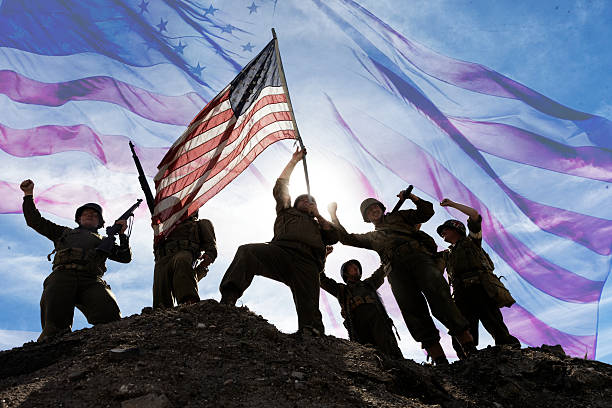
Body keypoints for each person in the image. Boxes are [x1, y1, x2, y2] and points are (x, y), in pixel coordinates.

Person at [328, 194, 474, 365]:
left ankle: (469, 349)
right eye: (369, 211)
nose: (373, 211)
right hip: (396, 272)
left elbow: (427, 212)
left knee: (442, 301)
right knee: (413, 312)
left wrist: (412, 197)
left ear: (382, 209)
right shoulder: (372, 237)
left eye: (375, 207)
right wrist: (333, 216)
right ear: (367, 218)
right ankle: (440, 361)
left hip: (419, 259)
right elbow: (346, 238)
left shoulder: (400, 216)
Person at [219, 148, 339, 336]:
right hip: (281, 253)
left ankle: (313, 335)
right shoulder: (286, 210)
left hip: (308, 263)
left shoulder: (319, 224)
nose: (307, 203)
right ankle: (228, 299)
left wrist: (319, 215)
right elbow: (281, 186)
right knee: (247, 252)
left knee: (310, 310)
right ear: (296, 203)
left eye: (311, 202)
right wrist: (294, 161)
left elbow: (334, 237)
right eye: (304, 201)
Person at [20, 179, 131, 341]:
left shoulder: (104, 241)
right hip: (62, 276)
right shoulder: (63, 233)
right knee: (55, 327)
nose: (90, 216)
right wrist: (28, 195)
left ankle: (106, 346)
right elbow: (35, 221)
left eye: (94, 215)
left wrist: (122, 235)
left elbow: (124, 257)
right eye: (86, 214)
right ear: (78, 219)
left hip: (91, 280)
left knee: (111, 316)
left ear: (100, 223)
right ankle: (51, 347)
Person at [437, 198, 520, 359]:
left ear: (457, 229)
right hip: (460, 294)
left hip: (480, 287)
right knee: (462, 327)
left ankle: (511, 353)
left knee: (493, 321)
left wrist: (453, 204)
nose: (442, 233)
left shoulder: (472, 242)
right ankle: (467, 358)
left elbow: (474, 215)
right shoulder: (446, 255)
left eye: (445, 229)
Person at [320, 254, 403, 359]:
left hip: (379, 323)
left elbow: (382, 271)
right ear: (345, 272)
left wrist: (388, 257)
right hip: (358, 327)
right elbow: (322, 279)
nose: (356, 267)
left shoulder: (369, 283)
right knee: (367, 354)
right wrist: (323, 256)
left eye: (357, 266)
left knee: (390, 351)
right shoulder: (341, 290)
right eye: (351, 266)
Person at [152, 211, 217, 308]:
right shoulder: (166, 228)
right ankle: (161, 308)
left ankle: (188, 301)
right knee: (160, 274)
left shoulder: (199, 224)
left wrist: (207, 258)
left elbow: (211, 245)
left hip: (186, 253)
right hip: (163, 258)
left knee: (182, 259)